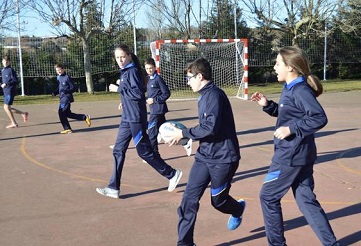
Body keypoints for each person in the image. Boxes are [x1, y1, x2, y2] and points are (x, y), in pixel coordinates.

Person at [251, 46, 341, 246]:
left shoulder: (299, 90)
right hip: (301, 155)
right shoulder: (291, 88)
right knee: (307, 202)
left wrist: (291, 129)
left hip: (290, 156)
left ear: (290, 68)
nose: (274, 67)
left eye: (277, 64)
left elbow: (319, 117)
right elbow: (291, 114)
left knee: (268, 197)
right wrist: (268, 105)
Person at [167, 57, 246, 246]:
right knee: (188, 201)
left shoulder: (215, 96)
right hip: (204, 156)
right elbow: (206, 128)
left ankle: (236, 209)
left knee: (218, 201)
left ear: (200, 76)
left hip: (223, 158)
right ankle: (185, 243)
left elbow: (210, 127)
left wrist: (184, 133)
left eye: (190, 78)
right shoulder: (204, 96)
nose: (188, 82)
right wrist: (188, 138)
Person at [96, 44, 182, 199]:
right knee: (117, 150)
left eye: (122, 56)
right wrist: (124, 100)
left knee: (144, 152)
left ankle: (172, 174)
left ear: (129, 55)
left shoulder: (133, 71)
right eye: (117, 57)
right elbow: (131, 94)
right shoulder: (125, 72)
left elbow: (137, 93)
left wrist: (118, 90)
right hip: (126, 118)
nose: (120, 60)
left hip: (135, 118)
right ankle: (113, 188)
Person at [53, 63, 91, 134]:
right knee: (67, 114)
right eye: (57, 70)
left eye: (60, 70)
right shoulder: (58, 77)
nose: (58, 71)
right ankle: (84, 117)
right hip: (62, 98)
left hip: (66, 98)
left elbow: (73, 88)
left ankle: (67, 128)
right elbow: (60, 87)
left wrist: (66, 91)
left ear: (63, 69)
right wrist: (55, 92)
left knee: (61, 112)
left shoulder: (67, 77)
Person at [144, 57, 171, 159]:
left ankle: (154, 156)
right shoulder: (149, 79)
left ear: (155, 67)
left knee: (151, 133)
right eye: (147, 68)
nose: (149, 70)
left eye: (150, 68)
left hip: (157, 111)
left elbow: (166, 93)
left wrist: (154, 100)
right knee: (165, 130)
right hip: (155, 110)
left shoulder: (158, 79)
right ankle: (185, 141)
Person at [1, 55, 28, 128]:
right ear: (2, 61)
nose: (5, 62)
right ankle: (23, 113)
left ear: (9, 62)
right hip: (5, 91)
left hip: (10, 91)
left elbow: (15, 80)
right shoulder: (3, 70)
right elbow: (4, 81)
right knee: (7, 108)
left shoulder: (11, 70)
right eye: (4, 61)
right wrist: (2, 84)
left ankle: (14, 123)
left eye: (7, 61)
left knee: (6, 108)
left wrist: (6, 84)